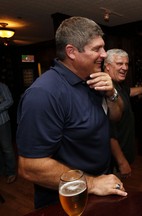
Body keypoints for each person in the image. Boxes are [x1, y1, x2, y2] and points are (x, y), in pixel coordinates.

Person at [16, 16, 127, 209]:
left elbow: (115, 117)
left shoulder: (93, 79)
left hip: (101, 186)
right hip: (66, 201)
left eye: (103, 47)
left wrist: (112, 94)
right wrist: (92, 183)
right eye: (96, 49)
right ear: (71, 52)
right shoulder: (44, 94)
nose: (104, 54)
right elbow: (29, 167)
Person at [103, 49, 142, 179]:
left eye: (126, 64)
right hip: (114, 159)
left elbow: (129, 92)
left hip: (125, 149)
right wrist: (121, 161)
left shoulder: (118, 85)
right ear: (107, 66)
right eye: (119, 64)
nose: (124, 68)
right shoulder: (106, 89)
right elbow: (108, 132)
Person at [0, 81, 17, 184]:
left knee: (7, 148)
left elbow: (9, 101)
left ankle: (11, 172)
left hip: (2, 122)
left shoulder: (2, 86)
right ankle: (2, 170)